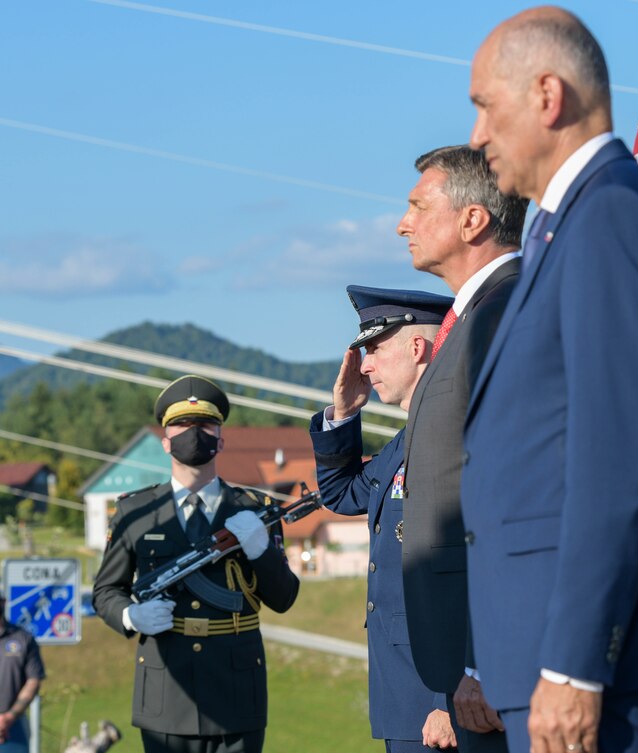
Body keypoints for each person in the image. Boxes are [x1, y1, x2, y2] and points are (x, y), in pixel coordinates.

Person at [461, 8, 638, 753]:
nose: (477, 136)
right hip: (555, 652)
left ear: (547, 96)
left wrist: (576, 662)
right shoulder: (572, 224)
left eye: (486, 107)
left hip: (601, 666)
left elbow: (617, 460)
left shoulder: (613, 213)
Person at [396, 145, 526, 753]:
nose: (404, 223)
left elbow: (511, 493)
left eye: (419, 206)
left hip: (497, 662)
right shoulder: (474, 315)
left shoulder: (503, 313)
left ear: (472, 220)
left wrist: (482, 661)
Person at [93, 375, 300, 753]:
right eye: (182, 425)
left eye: (205, 425)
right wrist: (129, 617)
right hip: (165, 690)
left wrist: (260, 551)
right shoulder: (134, 511)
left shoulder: (254, 509)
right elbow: (106, 591)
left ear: (220, 438)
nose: (194, 433)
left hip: (236, 690)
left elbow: (284, 597)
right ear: (166, 440)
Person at [309, 286, 458, 753]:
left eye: (374, 349)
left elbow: (471, 575)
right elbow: (342, 493)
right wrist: (344, 416)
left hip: (441, 698)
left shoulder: (455, 434)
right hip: (405, 695)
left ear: (417, 348)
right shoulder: (405, 441)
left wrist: (448, 697)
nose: (365, 365)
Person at [0, 592, 44, 753]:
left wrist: (9, 717)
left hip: (13, 726)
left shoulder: (23, 639)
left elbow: (33, 680)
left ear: (3, 602)